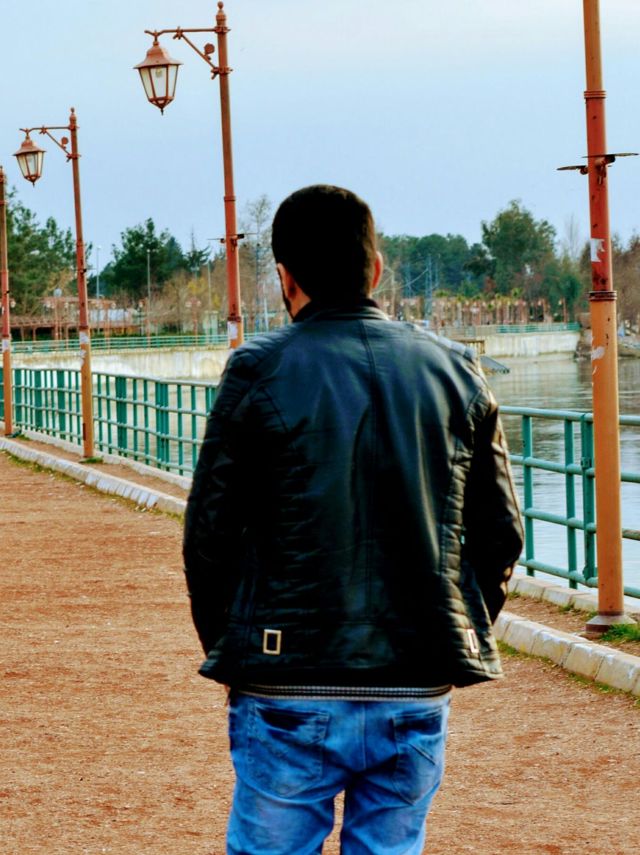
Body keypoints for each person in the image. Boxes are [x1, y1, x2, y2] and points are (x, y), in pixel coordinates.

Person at [183, 184, 523, 855]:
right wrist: (447, 625)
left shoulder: (258, 370)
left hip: (286, 677)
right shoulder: (457, 370)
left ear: (285, 277)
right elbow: (502, 535)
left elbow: (208, 539)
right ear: (377, 269)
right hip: (414, 679)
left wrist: (241, 650)